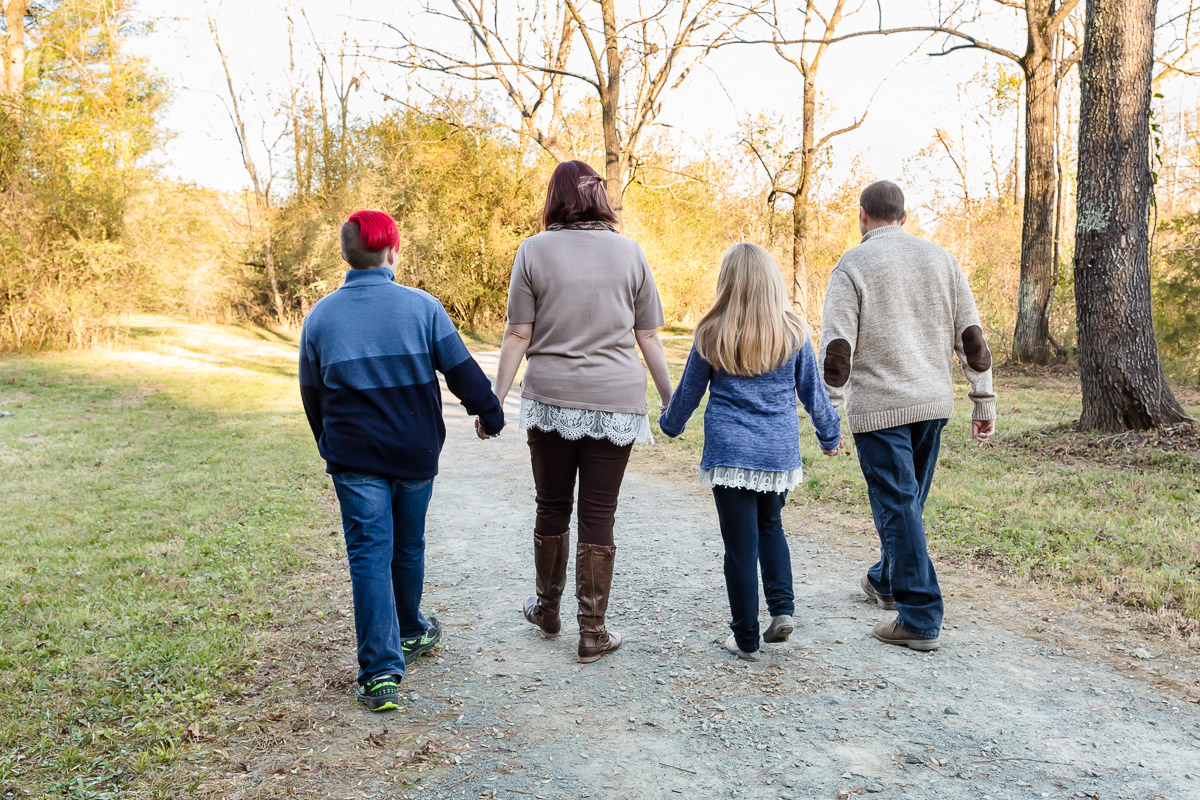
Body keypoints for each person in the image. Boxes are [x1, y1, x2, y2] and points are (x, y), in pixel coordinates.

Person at [298, 209, 505, 711]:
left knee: (370, 553)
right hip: (414, 452)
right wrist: (490, 415)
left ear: (347, 255)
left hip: (354, 457)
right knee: (407, 546)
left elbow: (312, 395)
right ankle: (410, 631)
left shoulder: (321, 316)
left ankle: (380, 672)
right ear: (393, 251)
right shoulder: (422, 307)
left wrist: (328, 441)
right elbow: (462, 372)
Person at [491, 160, 674, 664]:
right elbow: (649, 335)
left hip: (551, 398)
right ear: (599, 197)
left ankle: (547, 610)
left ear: (555, 198)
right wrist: (668, 398)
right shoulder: (630, 253)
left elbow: (517, 334)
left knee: (552, 505)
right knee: (599, 513)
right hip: (616, 400)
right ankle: (592, 632)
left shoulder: (533, 250)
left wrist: (495, 400)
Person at [818, 180, 997, 652]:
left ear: (862, 216)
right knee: (906, 503)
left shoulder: (852, 264)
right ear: (905, 216)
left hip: (880, 406)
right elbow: (972, 337)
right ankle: (885, 579)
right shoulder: (943, 260)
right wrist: (984, 400)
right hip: (933, 402)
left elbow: (837, 350)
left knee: (898, 504)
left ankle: (918, 616)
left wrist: (828, 411)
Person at [658, 242, 842, 661]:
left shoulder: (712, 331)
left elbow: (688, 392)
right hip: (776, 451)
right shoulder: (794, 331)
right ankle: (782, 609)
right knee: (771, 527)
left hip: (730, 449)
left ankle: (745, 637)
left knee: (740, 546)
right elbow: (813, 394)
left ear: (726, 283)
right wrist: (830, 436)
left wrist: (670, 424)